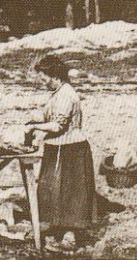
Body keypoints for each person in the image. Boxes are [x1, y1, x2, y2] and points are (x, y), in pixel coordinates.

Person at [25, 55, 95, 236]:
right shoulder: (58, 93)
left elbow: (58, 125)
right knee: (55, 188)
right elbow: (52, 116)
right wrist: (36, 119)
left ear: (55, 76)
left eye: (44, 78)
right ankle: (57, 226)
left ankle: (70, 231)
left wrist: (34, 127)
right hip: (58, 145)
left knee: (69, 191)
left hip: (71, 148)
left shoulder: (66, 94)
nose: (43, 82)